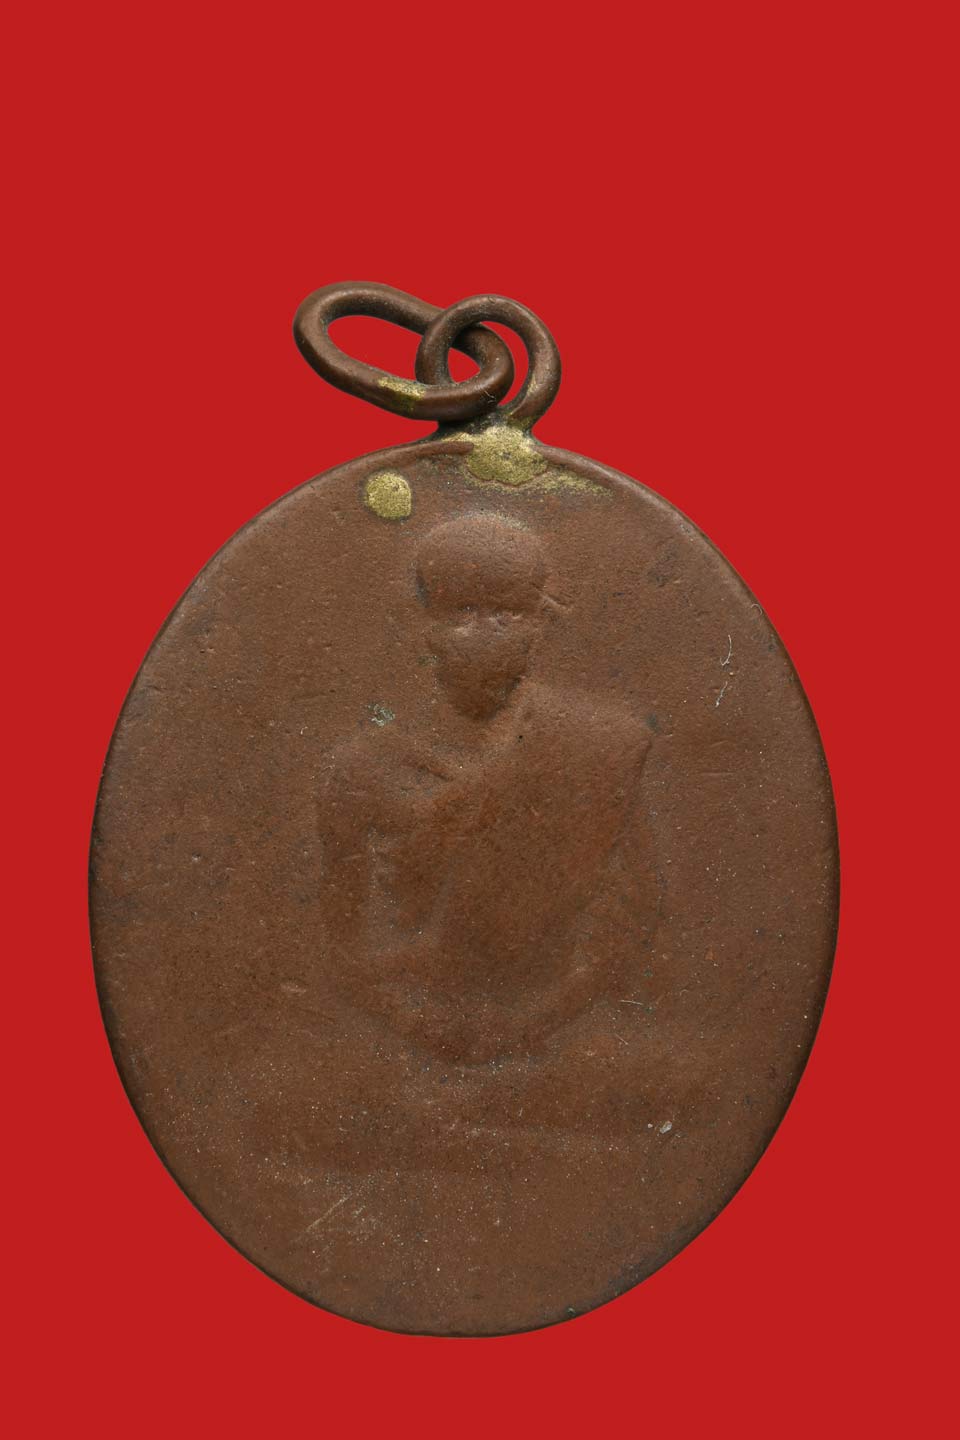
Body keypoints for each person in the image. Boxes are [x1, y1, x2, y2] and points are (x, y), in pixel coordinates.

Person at [319, 512, 657, 1066]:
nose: (486, 631)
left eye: (508, 612)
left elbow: (629, 923)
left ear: (539, 625)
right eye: (463, 612)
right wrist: (413, 1023)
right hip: (405, 1045)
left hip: (564, 1041)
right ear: (424, 626)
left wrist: (531, 1025)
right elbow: (340, 944)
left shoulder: (600, 748)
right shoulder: (364, 769)